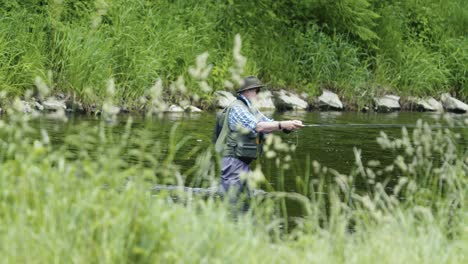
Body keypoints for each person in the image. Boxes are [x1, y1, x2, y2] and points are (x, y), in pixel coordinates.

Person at [214, 76, 304, 195]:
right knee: (232, 201)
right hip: (232, 162)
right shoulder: (237, 108)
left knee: (245, 198)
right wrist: (282, 124)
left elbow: (268, 123)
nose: (258, 94)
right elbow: (258, 126)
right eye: (257, 91)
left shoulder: (250, 108)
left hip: (242, 162)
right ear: (247, 91)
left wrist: (288, 126)